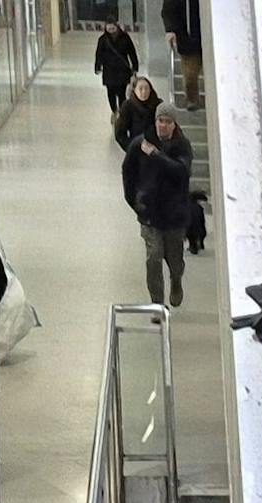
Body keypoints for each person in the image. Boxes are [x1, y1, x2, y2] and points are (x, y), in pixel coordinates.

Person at [123, 106, 194, 309]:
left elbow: (181, 171)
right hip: (149, 213)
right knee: (153, 257)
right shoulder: (140, 144)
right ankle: (156, 303)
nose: (163, 125)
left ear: (174, 124)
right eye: (160, 121)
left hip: (174, 215)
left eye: (168, 122)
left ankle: (176, 281)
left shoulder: (182, 146)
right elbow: (128, 173)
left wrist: (156, 155)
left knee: (175, 259)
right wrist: (134, 201)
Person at [162, 0, 203, 111]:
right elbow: (167, 11)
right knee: (190, 75)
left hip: (206, 36)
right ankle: (192, 100)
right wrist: (170, 30)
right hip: (187, 39)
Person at [94, 19, 139, 117]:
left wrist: (135, 66)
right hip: (108, 70)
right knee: (110, 92)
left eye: (112, 28)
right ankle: (114, 111)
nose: (110, 30)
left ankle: (122, 113)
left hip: (122, 70)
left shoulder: (125, 37)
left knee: (121, 92)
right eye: (109, 28)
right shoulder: (103, 39)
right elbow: (99, 54)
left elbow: (132, 52)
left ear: (117, 27)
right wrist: (97, 66)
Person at [113, 73, 163, 153]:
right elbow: (120, 133)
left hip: (157, 149)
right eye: (140, 89)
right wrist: (131, 148)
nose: (144, 92)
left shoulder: (158, 104)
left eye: (146, 88)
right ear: (134, 91)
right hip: (137, 148)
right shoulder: (128, 106)